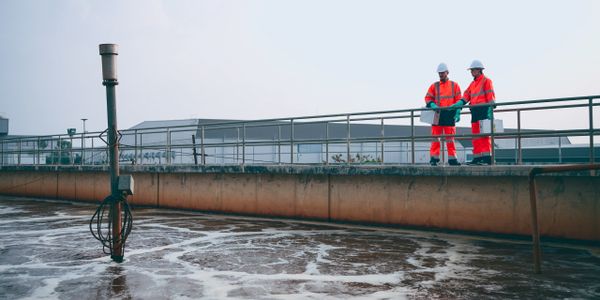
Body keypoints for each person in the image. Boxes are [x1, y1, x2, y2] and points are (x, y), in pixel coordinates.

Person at [451, 60, 495, 165]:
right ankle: (477, 157)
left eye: (473, 70)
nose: (471, 72)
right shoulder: (473, 84)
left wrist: (490, 109)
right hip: (475, 111)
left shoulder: (486, 81)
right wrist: (459, 104)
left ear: (479, 70)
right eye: (471, 70)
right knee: (475, 135)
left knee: (484, 135)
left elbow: (490, 96)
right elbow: (466, 96)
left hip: (484, 110)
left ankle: (487, 158)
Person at [424, 63, 462, 166]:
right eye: (439, 73)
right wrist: (432, 104)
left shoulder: (455, 85)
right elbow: (427, 98)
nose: (440, 75)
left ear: (447, 72)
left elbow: (459, 99)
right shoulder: (434, 86)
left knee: (450, 138)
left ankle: (452, 159)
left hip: (450, 114)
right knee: (435, 137)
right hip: (438, 114)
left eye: (442, 73)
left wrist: (458, 112)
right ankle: (434, 158)